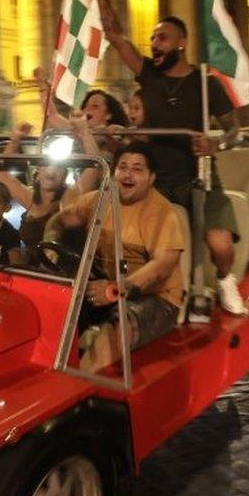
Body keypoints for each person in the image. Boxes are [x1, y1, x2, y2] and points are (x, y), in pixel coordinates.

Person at [91, 0, 246, 315]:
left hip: (199, 175)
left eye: (162, 38)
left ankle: (224, 280)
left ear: (181, 43)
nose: (154, 44)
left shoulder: (208, 85)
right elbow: (115, 35)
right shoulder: (148, 74)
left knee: (219, 243)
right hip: (157, 178)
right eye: (153, 38)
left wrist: (215, 143)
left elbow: (235, 130)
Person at [44, 143, 185, 371]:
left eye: (138, 169)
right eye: (123, 167)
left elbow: (162, 267)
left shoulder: (162, 213)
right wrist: (51, 244)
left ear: (151, 177)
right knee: (54, 306)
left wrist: (115, 289)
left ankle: (78, 383)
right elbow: (58, 221)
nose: (128, 174)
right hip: (104, 287)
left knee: (123, 321)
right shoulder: (99, 200)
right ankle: (44, 372)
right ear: (114, 172)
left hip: (156, 298)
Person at [0, 114, 103, 265]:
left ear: (65, 176)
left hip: (60, 274)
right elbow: (1, 174)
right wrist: (15, 140)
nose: (51, 172)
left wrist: (84, 131)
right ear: (37, 173)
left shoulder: (69, 197)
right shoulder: (30, 198)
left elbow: (96, 168)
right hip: (34, 273)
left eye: (58, 167)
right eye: (46, 165)